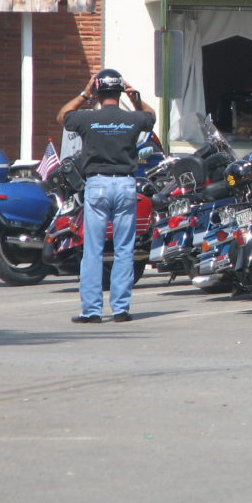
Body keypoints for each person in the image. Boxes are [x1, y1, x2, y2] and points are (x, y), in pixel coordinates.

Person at [57, 69, 155, 323]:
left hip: (97, 185)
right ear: (120, 91)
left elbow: (62, 116)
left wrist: (83, 94)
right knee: (124, 249)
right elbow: (151, 117)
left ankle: (91, 311)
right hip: (125, 185)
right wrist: (135, 98)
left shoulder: (86, 118)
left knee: (93, 250)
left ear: (97, 91)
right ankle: (121, 309)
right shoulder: (133, 119)